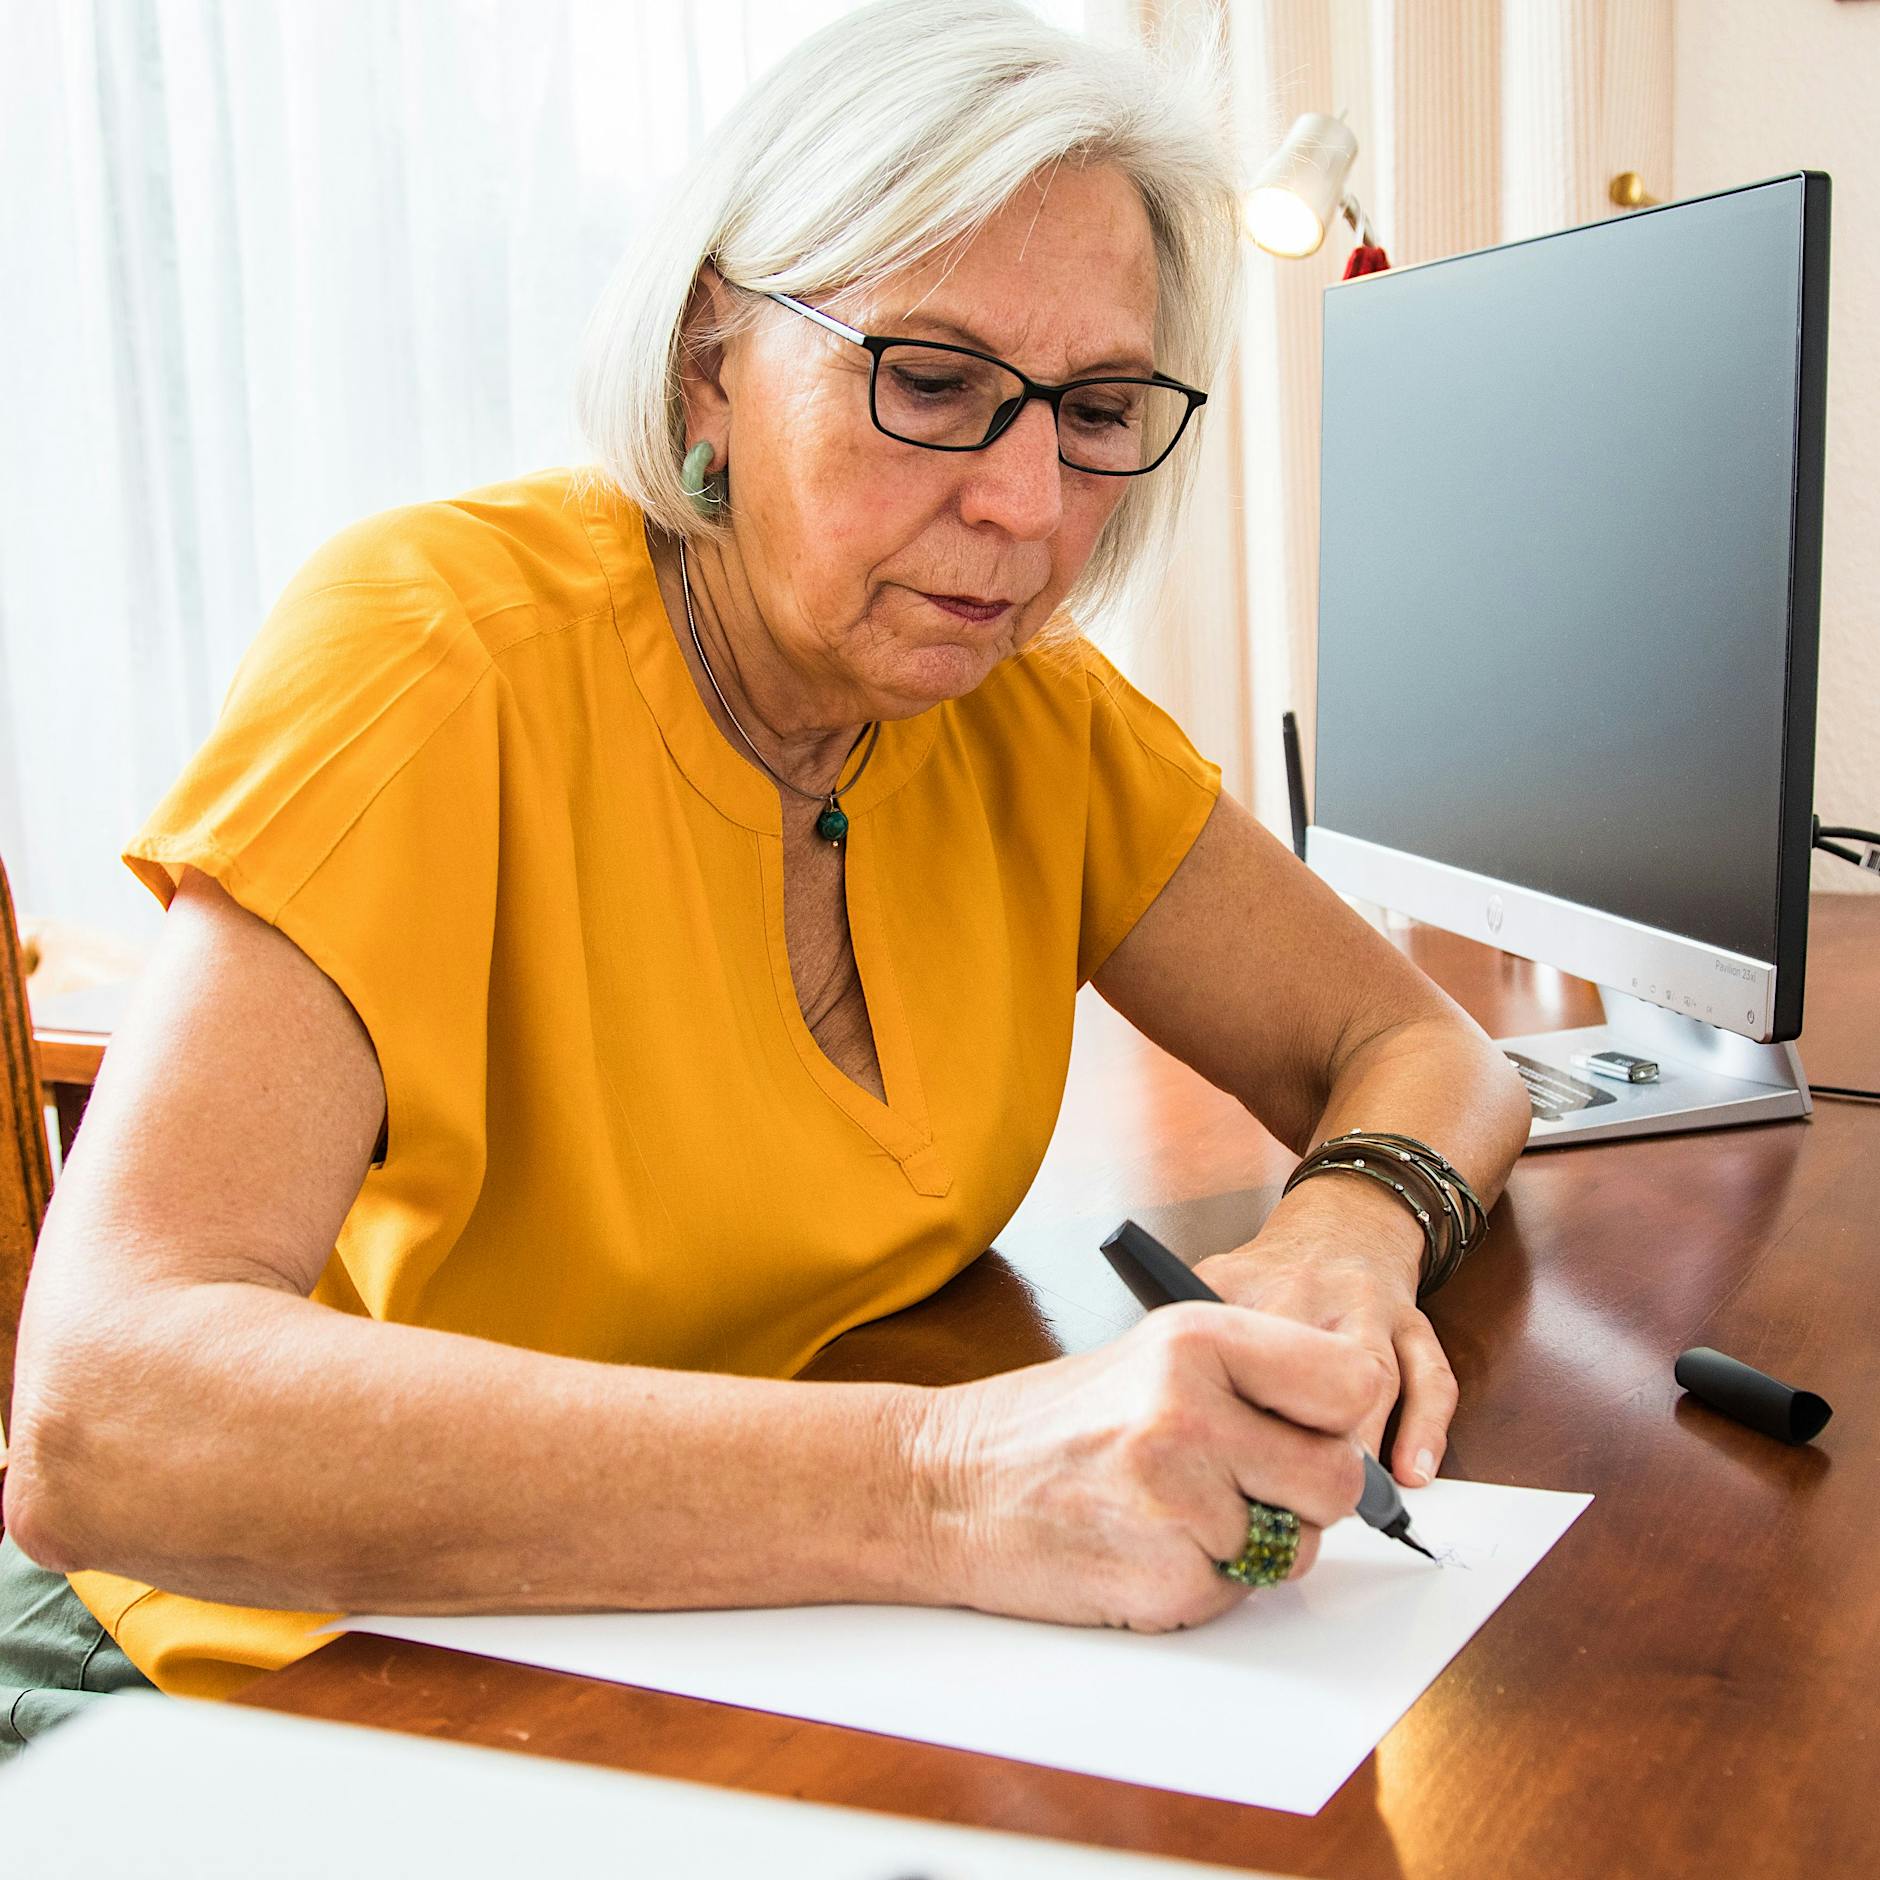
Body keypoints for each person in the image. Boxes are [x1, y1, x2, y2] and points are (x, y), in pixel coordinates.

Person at [0, 0, 1530, 1752]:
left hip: (717, 1648)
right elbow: (105, 1419)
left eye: (1096, 409)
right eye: (932, 380)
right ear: (706, 359)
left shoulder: (1032, 721)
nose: (1028, 502)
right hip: (264, 1666)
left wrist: (1345, 1235)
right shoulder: (433, 654)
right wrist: (958, 1482)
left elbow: (1432, 1054)